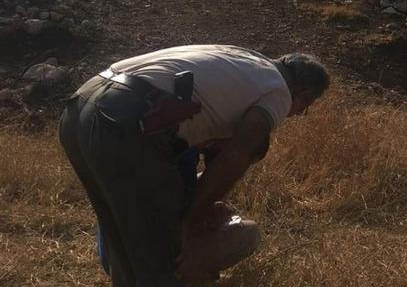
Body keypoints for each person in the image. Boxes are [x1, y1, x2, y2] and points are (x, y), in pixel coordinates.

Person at [59, 45, 330, 286]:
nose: (296, 114)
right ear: (304, 95)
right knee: (163, 257)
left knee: (124, 242)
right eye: (303, 108)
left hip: (81, 107)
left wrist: (200, 204)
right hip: (128, 120)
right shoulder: (279, 91)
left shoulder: (242, 57)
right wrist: (190, 220)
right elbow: (236, 154)